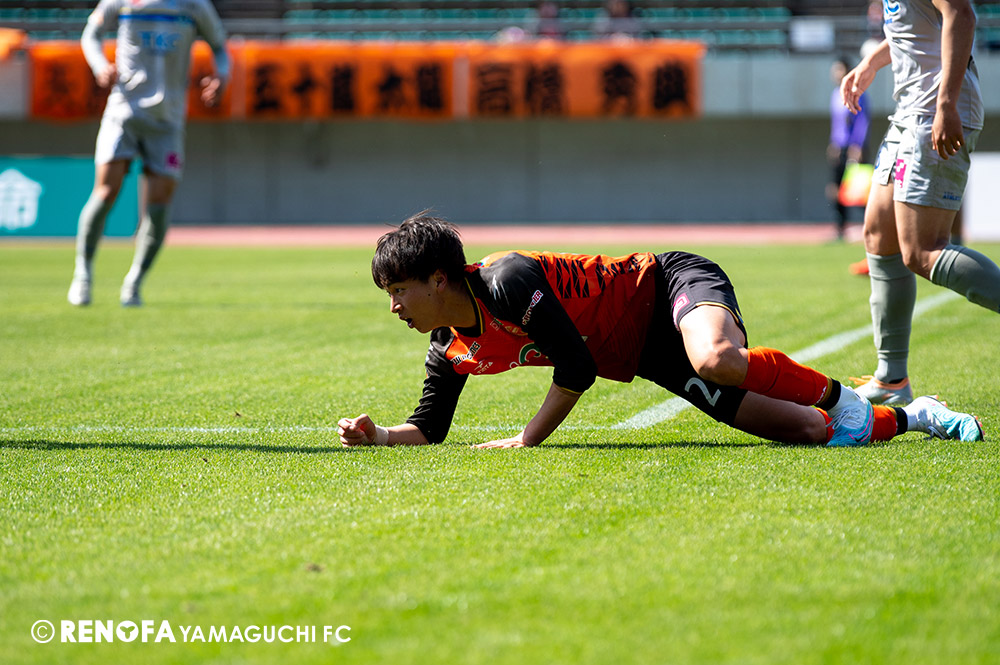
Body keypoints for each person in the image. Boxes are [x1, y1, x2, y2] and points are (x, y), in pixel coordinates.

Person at [338, 213, 983, 449]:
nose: (393, 306)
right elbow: (430, 427)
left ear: (440, 279)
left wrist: (528, 439)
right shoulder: (449, 347)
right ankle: (914, 416)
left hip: (669, 284)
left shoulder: (505, 280)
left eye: (399, 290)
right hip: (646, 353)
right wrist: (381, 436)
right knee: (809, 433)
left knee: (717, 358)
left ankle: (845, 401)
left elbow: (577, 367)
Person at [841, 0, 999, 406]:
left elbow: (961, 14)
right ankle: (891, 380)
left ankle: (892, 378)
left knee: (923, 251)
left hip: (934, 112)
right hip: (908, 115)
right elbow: (913, 30)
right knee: (879, 237)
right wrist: (872, 63)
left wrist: (947, 102)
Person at [67, 0, 229, 307]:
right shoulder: (122, 2)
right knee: (105, 191)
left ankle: (135, 281)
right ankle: (83, 273)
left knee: (159, 203)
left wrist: (222, 75)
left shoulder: (194, 5)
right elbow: (91, 33)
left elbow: (220, 46)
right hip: (124, 112)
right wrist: (100, 66)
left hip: (168, 120)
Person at [827, 57, 870, 241]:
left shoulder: (857, 93)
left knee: (859, 191)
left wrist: (857, 145)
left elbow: (862, 121)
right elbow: (837, 124)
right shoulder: (834, 95)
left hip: (854, 149)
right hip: (839, 148)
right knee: (836, 189)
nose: (836, 73)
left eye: (839, 70)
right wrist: (834, 143)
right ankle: (840, 228)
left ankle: (872, 227)